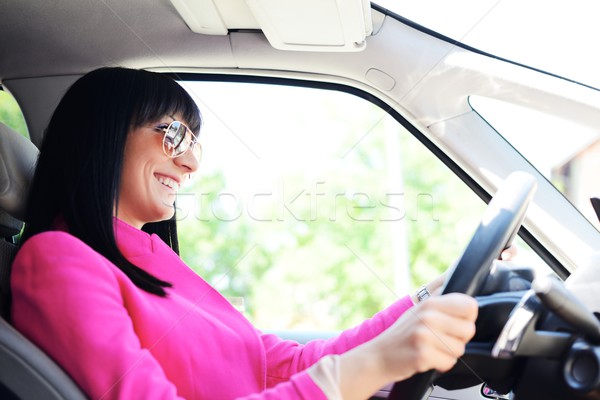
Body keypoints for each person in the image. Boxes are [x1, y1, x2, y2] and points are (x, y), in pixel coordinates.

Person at [10, 67, 478, 400]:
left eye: (195, 143)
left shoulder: (150, 262)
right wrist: (368, 367)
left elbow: (283, 365)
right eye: (173, 135)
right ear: (104, 134)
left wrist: (421, 301)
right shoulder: (57, 259)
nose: (191, 162)